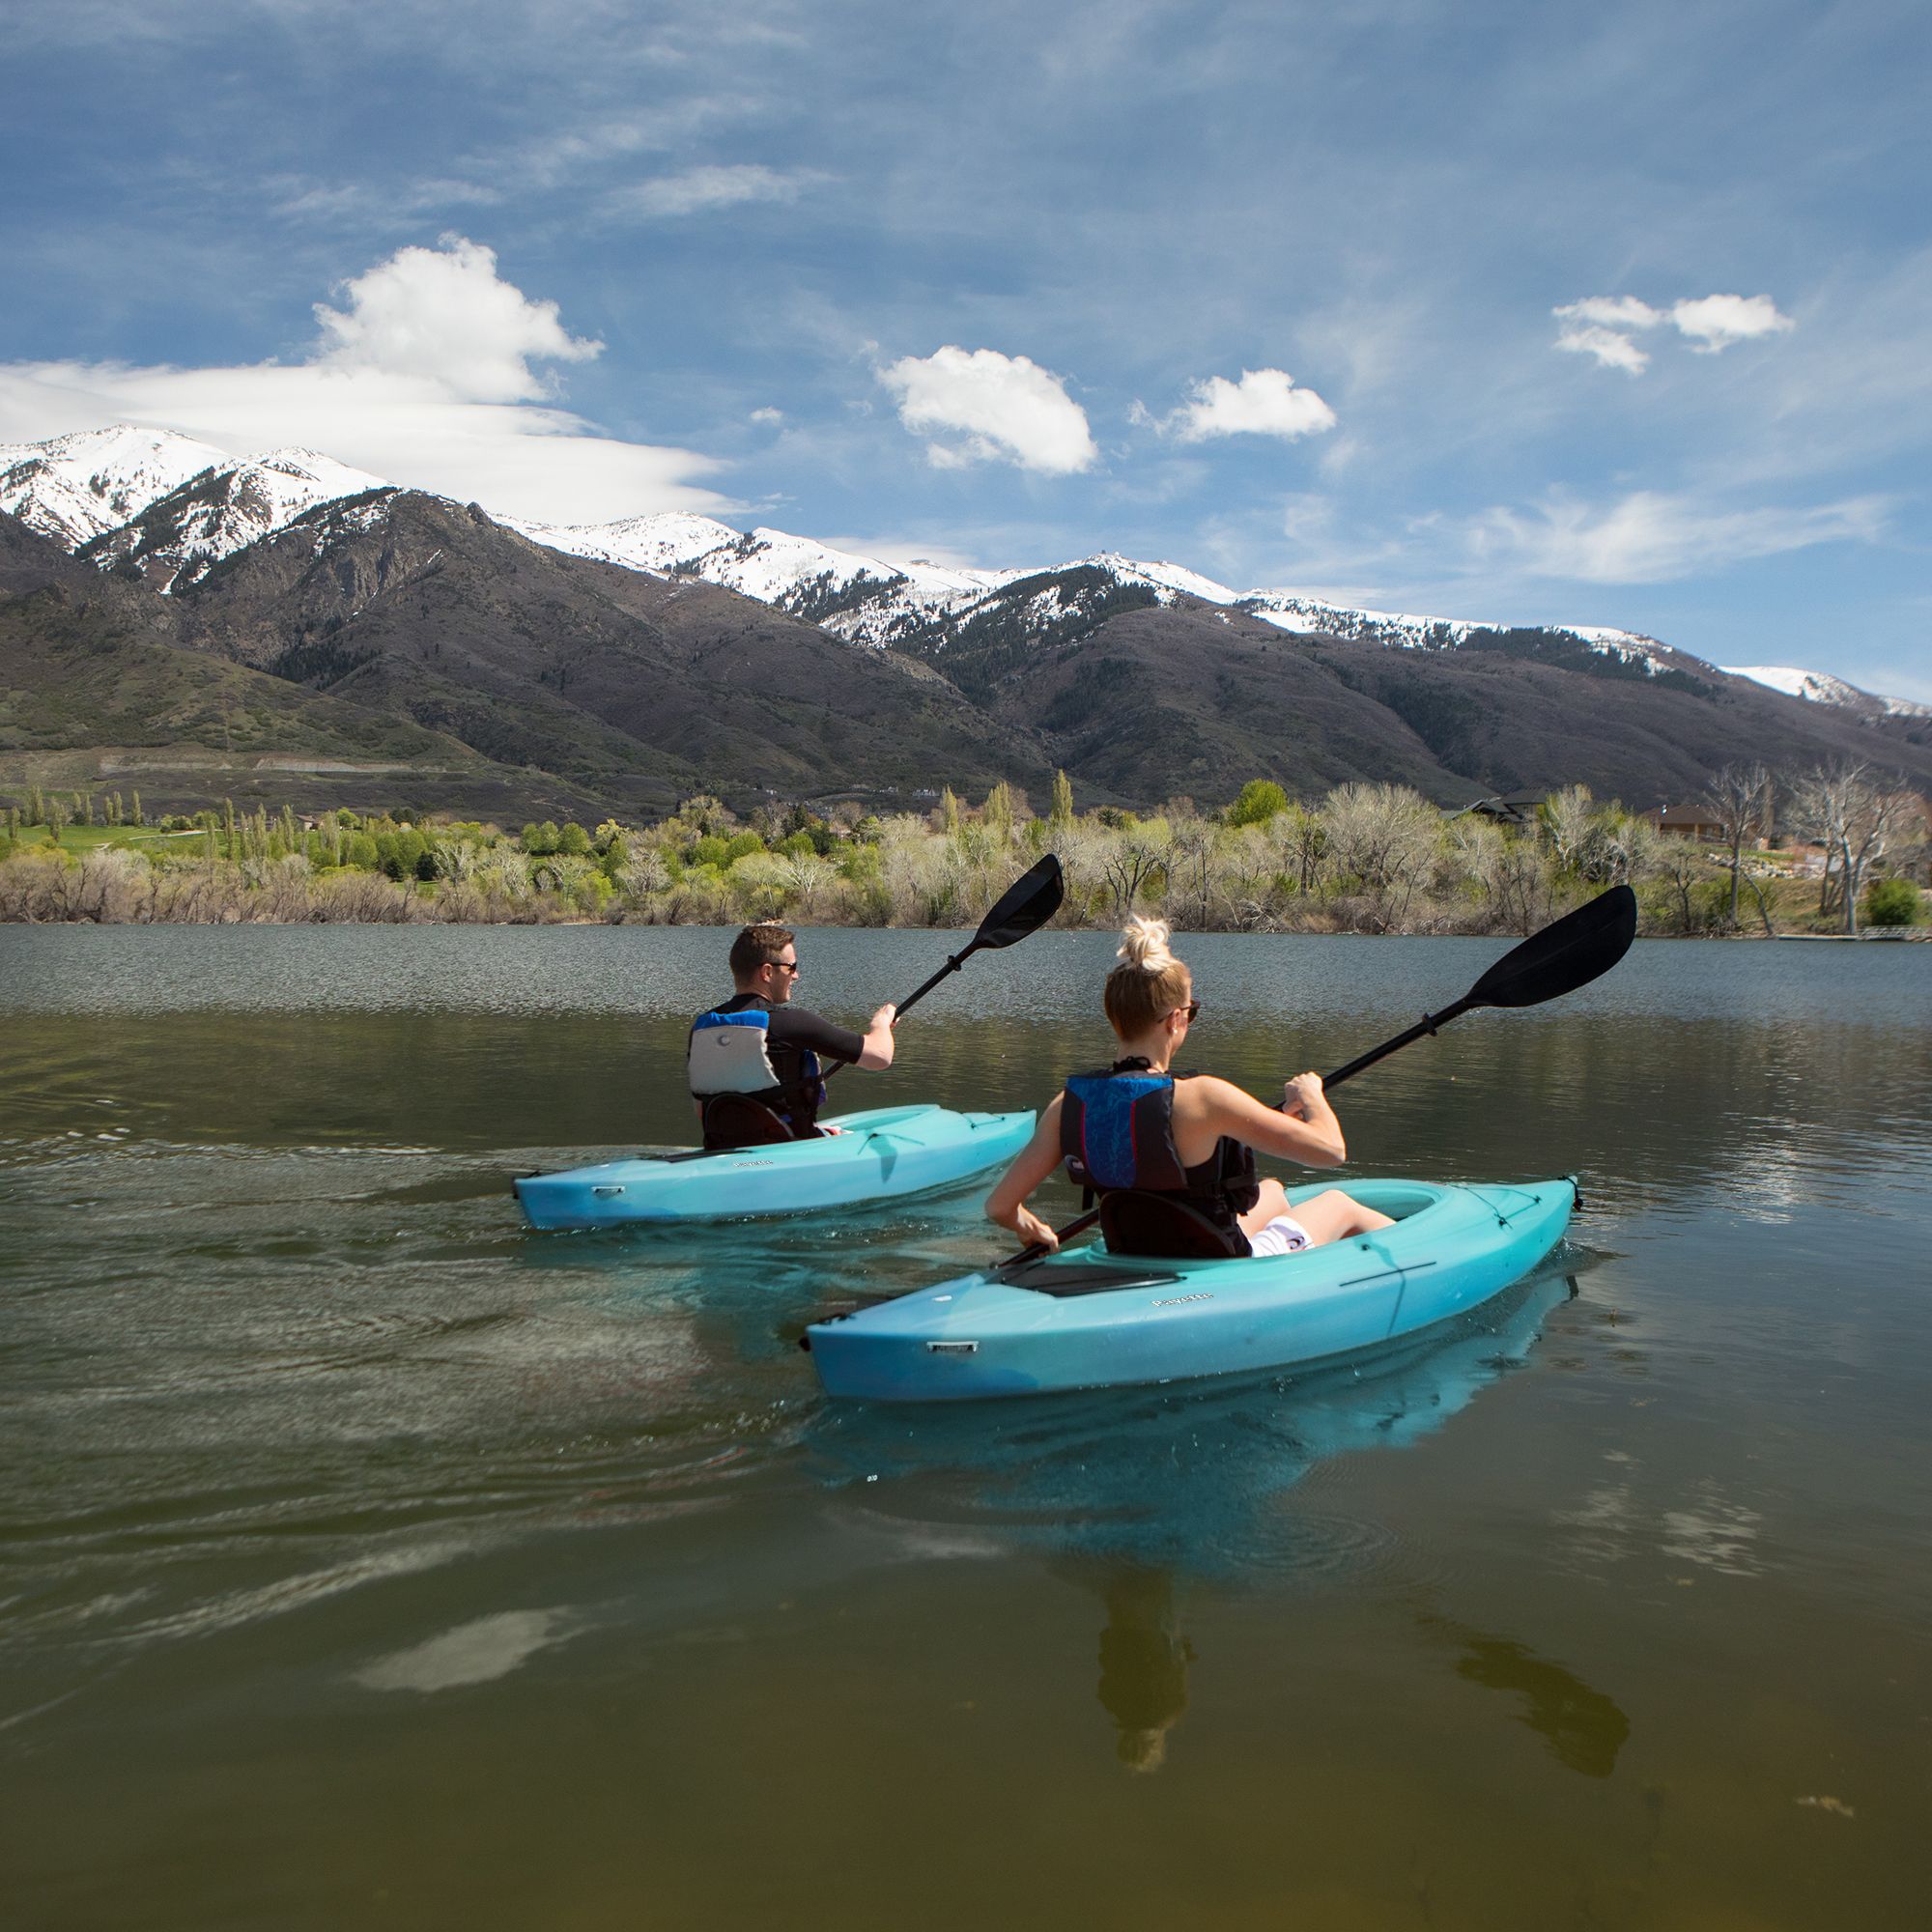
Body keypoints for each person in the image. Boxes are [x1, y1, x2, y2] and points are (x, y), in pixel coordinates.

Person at [985, 915, 1394, 1257]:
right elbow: (1331, 1151)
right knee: (1339, 1205)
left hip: (1136, 1253)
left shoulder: (1068, 1106)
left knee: (1274, 1192)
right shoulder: (1204, 1097)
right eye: (1191, 1011)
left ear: (1115, 1019)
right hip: (1221, 1268)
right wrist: (1312, 1096)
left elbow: (1001, 1206)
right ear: (1174, 1020)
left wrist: (1032, 1227)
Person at [688, 923, 895, 1146]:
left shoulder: (702, 1028)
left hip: (724, 1154)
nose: (796, 976)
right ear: (767, 972)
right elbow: (880, 1056)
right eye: (791, 967)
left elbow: (702, 1109)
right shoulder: (790, 1023)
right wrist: (881, 1024)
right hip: (782, 1155)